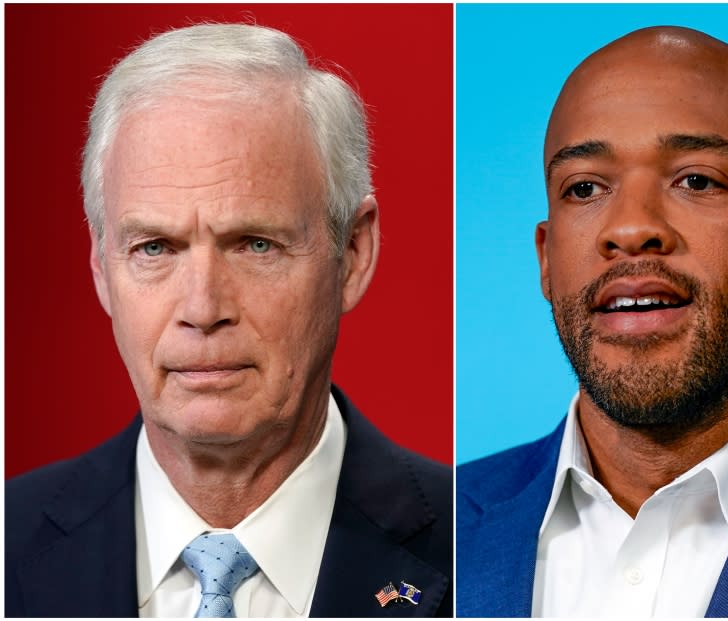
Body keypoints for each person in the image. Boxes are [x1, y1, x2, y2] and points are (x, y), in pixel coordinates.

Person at [6, 23, 451, 618]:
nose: (202, 310)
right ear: (100, 265)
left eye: (255, 245)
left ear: (352, 254)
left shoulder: (470, 546)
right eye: (155, 248)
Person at [456, 26, 728, 618]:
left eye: (696, 180)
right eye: (584, 187)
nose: (630, 228)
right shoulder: (431, 532)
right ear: (546, 260)